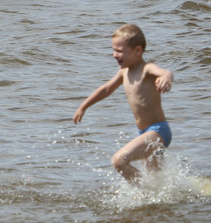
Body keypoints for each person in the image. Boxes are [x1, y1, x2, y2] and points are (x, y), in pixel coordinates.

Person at [72, 24, 173, 182]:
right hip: (145, 133)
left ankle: (142, 194)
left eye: (119, 51)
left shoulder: (146, 69)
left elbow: (165, 72)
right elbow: (106, 89)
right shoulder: (123, 73)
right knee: (158, 182)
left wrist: (166, 78)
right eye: (113, 50)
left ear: (137, 51)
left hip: (158, 132)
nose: (114, 55)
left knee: (119, 161)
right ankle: (164, 199)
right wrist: (83, 107)